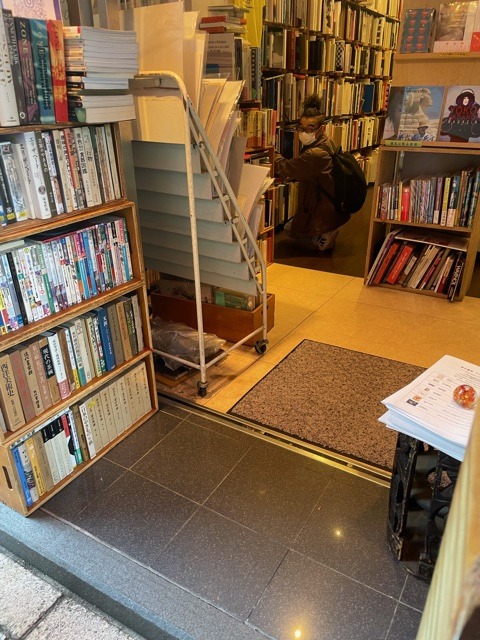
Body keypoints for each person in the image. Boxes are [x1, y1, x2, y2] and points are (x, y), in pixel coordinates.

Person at [274, 95, 351, 251]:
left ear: (321, 128)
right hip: (329, 202)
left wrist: (271, 152)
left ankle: (323, 234)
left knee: (290, 230)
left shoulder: (315, 154)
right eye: (301, 127)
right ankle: (321, 231)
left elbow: (286, 168)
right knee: (291, 227)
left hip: (320, 206)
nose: (304, 132)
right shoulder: (327, 141)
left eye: (310, 128)